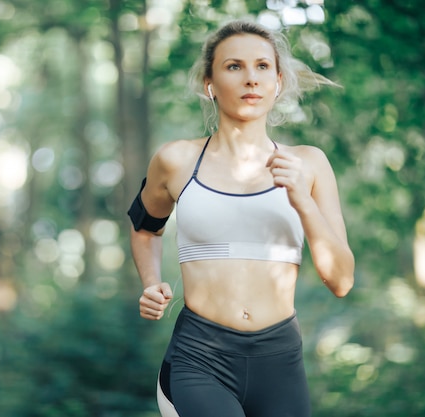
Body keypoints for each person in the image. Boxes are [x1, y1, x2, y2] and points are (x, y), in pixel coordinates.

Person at [127, 20, 355, 417]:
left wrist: (302, 198)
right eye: (234, 66)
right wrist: (151, 283)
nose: (251, 78)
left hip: (280, 361)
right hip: (201, 358)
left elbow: (341, 280)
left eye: (263, 67)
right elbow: (146, 228)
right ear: (209, 83)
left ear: (279, 81)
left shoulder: (309, 163)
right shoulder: (177, 160)